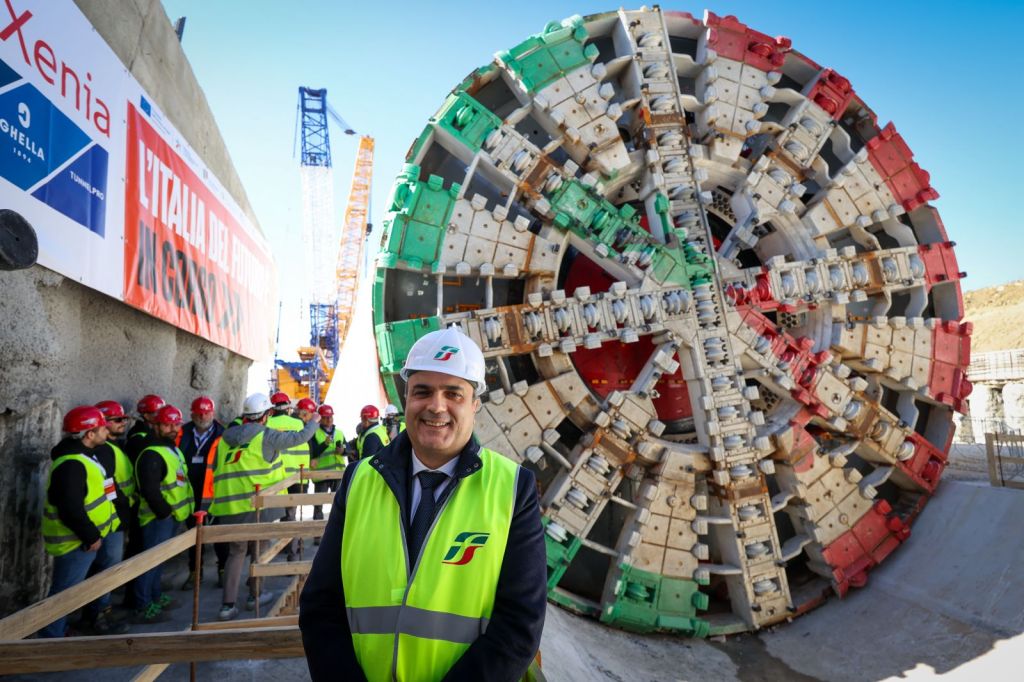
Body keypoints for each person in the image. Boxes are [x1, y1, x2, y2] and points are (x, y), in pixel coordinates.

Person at [299, 326, 547, 681]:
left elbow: (520, 624)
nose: (436, 406)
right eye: (423, 391)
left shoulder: (512, 489)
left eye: (453, 394)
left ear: (475, 404)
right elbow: (321, 607)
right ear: (406, 399)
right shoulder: (358, 481)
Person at [209, 392, 320, 621]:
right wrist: (313, 423)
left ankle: (227, 605)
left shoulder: (224, 439)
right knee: (259, 550)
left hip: (229, 506)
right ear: (266, 415)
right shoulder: (265, 436)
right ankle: (255, 596)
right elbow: (297, 438)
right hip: (258, 504)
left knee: (236, 553)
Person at [38, 406, 122, 638]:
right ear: (89, 434)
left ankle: (58, 632)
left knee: (69, 590)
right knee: (64, 594)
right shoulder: (71, 464)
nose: (107, 430)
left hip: (84, 538)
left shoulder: (83, 457)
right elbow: (69, 507)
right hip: (75, 541)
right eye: (102, 427)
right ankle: (49, 643)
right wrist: (91, 536)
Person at [78, 400, 135, 634]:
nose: (123, 423)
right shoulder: (102, 451)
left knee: (106, 566)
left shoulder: (113, 447)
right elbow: (108, 485)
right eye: (117, 420)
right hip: (108, 519)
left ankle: (96, 612)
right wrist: (125, 505)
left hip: (112, 517)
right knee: (106, 567)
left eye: (123, 419)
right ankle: (98, 615)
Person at [133, 404, 193, 623]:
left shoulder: (171, 449)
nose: (173, 428)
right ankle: (143, 605)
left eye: (176, 424)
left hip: (171, 517)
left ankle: (155, 596)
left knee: (159, 561)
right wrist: (165, 513)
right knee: (149, 562)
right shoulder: (151, 452)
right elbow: (149, 489)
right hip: (158, 519)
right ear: (156, 425)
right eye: (167, 424)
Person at [178, 396, 228, 590]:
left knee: (218, 533)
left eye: (206, 412)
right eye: (198, 413)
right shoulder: (183, 432)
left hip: (214, 492)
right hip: (191, 492)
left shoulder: (223, 434)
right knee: (194, 535)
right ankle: (195, 573)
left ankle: (222, 570)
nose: (202, 416)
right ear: (192, 413)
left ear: (212, 413)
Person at [267, 394, 317, 559]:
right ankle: (293, 549)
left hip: (277, 476)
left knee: (279, 514)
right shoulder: (298, 424)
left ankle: (286, 545)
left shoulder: (267, 424)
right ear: (288, 408)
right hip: (298, 475)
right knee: (293, 514)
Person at [309, 404, 346, 541]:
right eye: (325, 418)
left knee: (338, 506)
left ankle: (336, 535)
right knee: (318, 505)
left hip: (338, 474)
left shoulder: (340, 432)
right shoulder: (314, 433)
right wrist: (324, 444)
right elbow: (313, 453)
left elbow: (347, 449)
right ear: (320, 419)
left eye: (330, 417)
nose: (329, 420)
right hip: (321, 475)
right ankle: (317, 535)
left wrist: (343, 451)